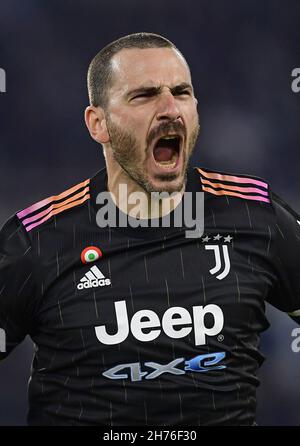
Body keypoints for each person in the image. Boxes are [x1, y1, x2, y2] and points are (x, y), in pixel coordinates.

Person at [0, 32, 299, 426]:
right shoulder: (37, 240)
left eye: (181, 92)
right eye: (144, 95)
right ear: (98, 123)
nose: (170, 109)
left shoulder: (255, 215)